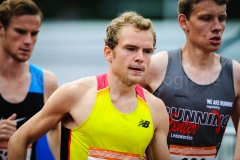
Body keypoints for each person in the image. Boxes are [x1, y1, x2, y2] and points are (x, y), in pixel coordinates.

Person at [7, 11, 170, 160]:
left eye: (147, 51)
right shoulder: (76, 94)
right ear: (108, 53)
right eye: (131, 49)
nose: (140, 58)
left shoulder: (155, 108)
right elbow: (18, 140)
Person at [139, 0, 240, 159]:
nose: (217, 27)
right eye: (206, 18)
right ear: (184, 22)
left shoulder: (235, 74)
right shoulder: (156, 66)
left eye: (221, 18)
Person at [0, 0, 60, 159]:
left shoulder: (45, 81)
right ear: (1, 29)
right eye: (20, 31)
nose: (28, 41)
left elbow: (57, 135)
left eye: (34, 33)